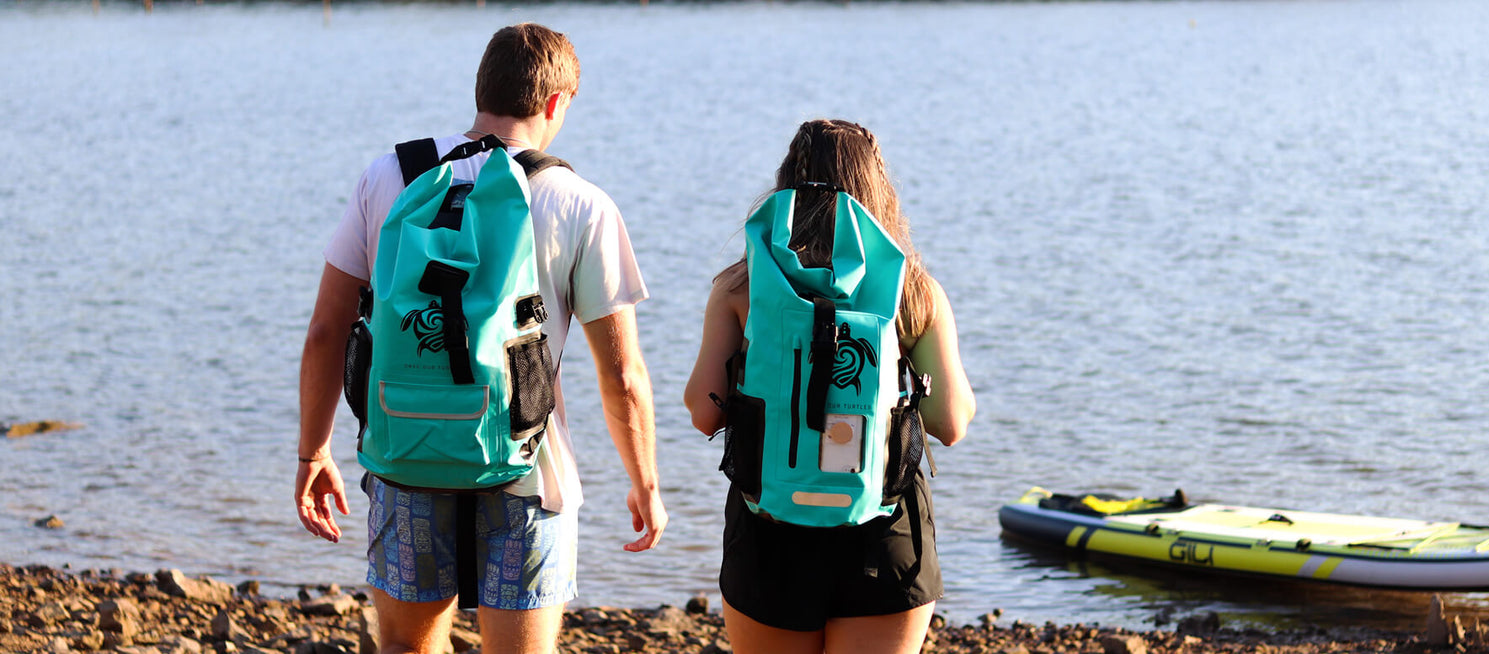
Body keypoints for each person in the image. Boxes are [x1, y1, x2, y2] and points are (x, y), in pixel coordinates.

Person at [292, 23, 667, 654]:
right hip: (526, 470)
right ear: (556, 103)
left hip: (404, 452)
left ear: (480, 92)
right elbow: (622, 376)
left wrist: (313, 452)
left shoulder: (390, 176)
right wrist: (646, 483)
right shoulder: (581, 203)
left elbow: (328, 330)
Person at [683, 119, 976, 654]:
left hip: (769, 523)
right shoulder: (913, 291)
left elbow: (705, 413)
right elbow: (949, 424)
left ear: (787, 187)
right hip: (884, 530)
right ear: (877, 189)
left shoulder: (741, 285)